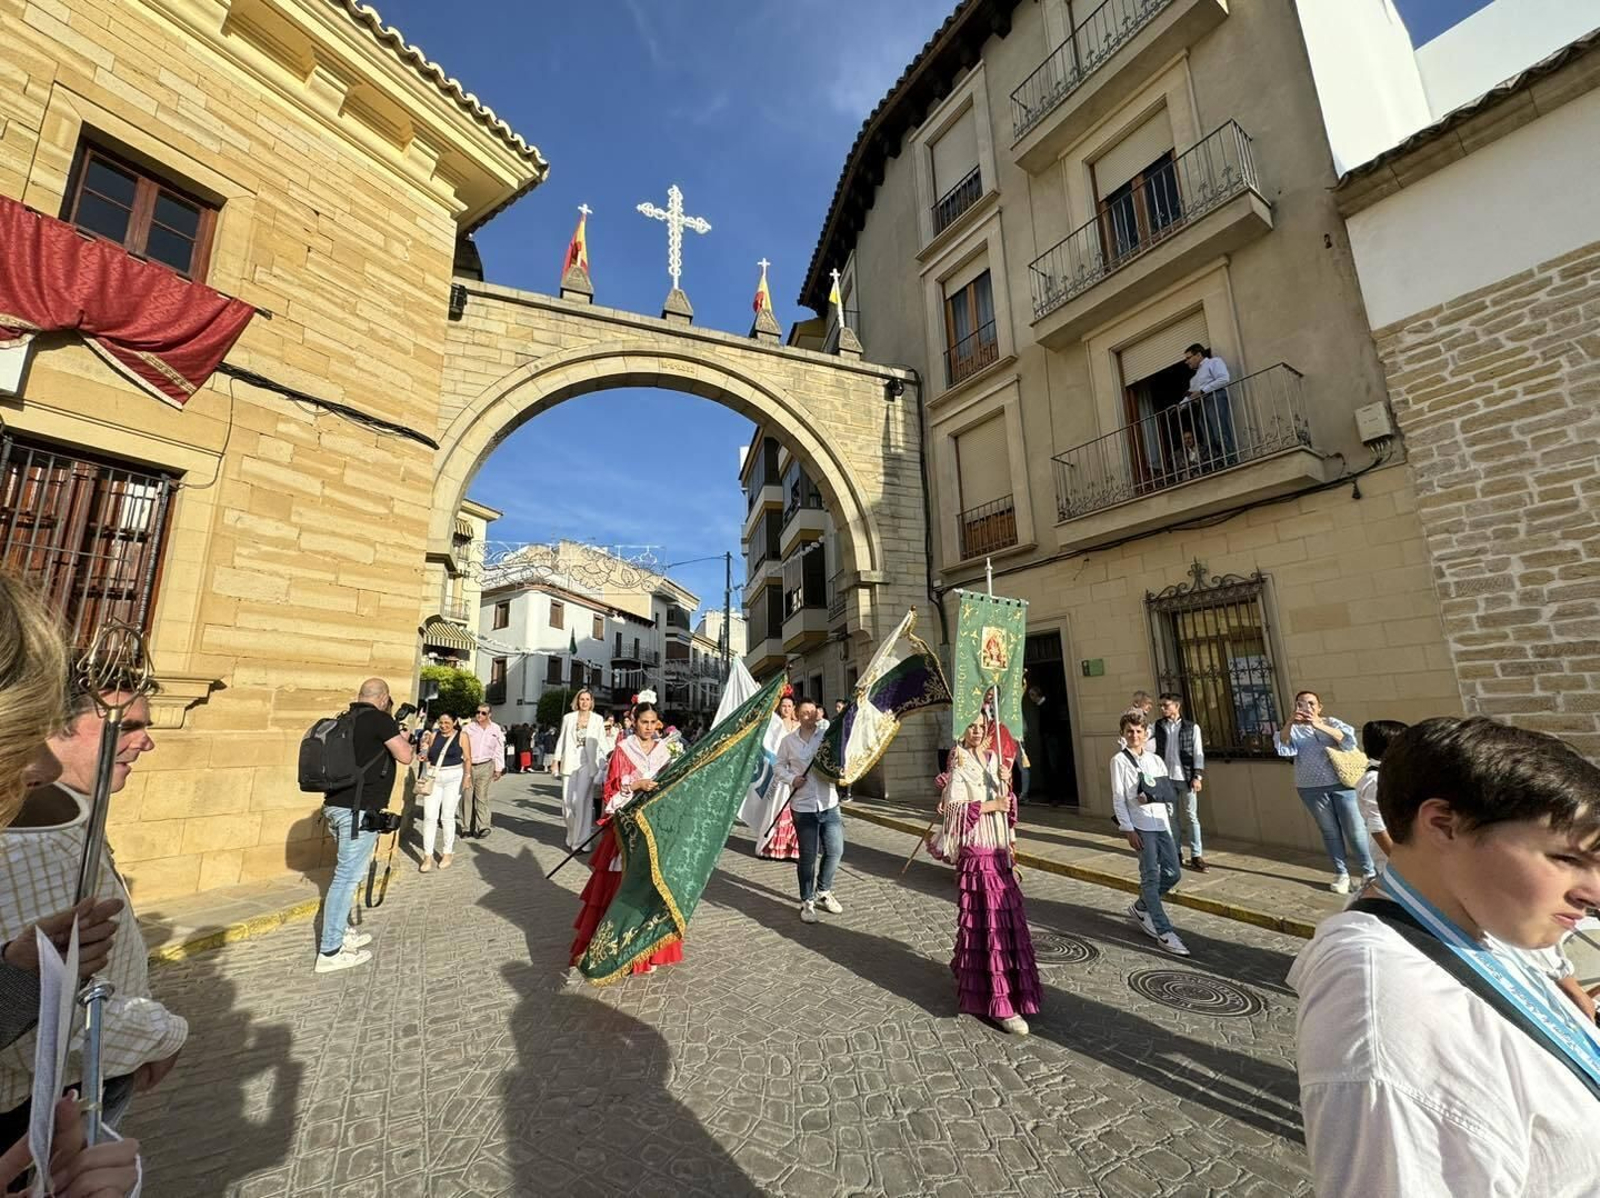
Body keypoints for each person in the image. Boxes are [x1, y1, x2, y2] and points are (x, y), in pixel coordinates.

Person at [1289, 717, 1600, 1196]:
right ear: (1443, 824)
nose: (1594, 894)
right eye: (1565, 859)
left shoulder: (1484, 920)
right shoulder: (1388, 1006)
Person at [0, 669, 185, 1135]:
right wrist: (158, 1036)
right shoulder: (31, 841)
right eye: (127, 726)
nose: (146, 744)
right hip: (42, 1104)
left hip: (89, 1077)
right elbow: (33, 1020)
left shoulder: (71, 813)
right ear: (51, 727)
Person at [928, 719, 1041, 1035]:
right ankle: (997, 1002)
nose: (976, 730)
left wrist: (1007, 787)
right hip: (977, 851)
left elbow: (1009, 812)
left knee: (1008, 920)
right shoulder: (958, 760)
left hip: (1001, 848)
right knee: (987, 923)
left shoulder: (995, 760)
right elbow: (954, 811)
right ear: (962, 730)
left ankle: (1014, 990)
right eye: (971, 725)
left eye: (981, 725)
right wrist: (994, 803)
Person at [568, 699, 682, 977]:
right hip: (626, 829)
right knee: (621, 887)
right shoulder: (623, 750)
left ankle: (648, 948)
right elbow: (611, 791)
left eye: (653, 723)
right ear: (634, 722)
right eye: (644, 722)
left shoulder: (665, 751)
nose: (648, 727)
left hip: (655, 826)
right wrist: (636, 785)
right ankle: (616, 948)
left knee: (653, 888)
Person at [315, 678, 412, 973]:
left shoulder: (346, 719)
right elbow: (405, 755)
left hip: (334, 806)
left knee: (344, 875)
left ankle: (340, 933)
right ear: (383, 698)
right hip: (357, 811)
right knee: (346, 879)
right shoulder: (380, 720)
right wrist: (403, 735)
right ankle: (330, 951)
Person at [1276, 690, 1375, 894]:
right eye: (1301, 704)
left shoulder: (1332, 722)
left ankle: (1369, 873)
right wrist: (1288, 724)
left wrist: (1318, 725)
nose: (1307, 707)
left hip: (1342, 784)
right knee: (1329, 831)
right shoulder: (1293, 728)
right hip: (1310, 787)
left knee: (1355, 831)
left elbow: (1347, 741)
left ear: (1319, 707)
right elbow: (1284, 748)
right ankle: (1341, 873)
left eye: (1311, 703)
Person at [1111, 711, 1190, 956]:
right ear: (1123, 734)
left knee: (1173, 872)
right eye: (1130, 732)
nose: (1134, 736)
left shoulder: (1155, 760)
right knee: (1150, 876)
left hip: (1161, 823)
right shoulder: (1119, 761)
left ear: (1146, 734)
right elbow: (1118, 797)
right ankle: (1163, 931)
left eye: (1138, 731)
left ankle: (1142, 905)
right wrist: (1127, 829)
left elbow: (1165, 792)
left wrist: (1169, 825)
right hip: (1141, 824)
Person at [774, 699, 844, 924]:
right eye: (804, 712)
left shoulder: (826, 736)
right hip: (803, 806)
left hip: (829, 802)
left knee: (835, 850)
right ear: (796, 715)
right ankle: (807, 899)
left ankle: (824, 890)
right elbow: (778, 766)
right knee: (808, 856)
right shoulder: (788, 742)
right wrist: (791, 779)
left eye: (812, 712)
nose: (809, 716)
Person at [1155, 694, 1208, 872]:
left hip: (1186, 777)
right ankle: (1175, 852)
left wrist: (1197, 776)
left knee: (1191, 817)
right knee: (1171, 818)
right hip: (1166, 778)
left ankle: (1196, 854)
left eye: (1166, 705)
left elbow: (1197, 751)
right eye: (1161, 705)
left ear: (1177, 706)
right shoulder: (1159, 726)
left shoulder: (1191, 727)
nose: (1162, 708)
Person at [552, 688, 606, 852]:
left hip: (587, 763)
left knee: (582, 800)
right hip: (570, 760)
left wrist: (606, 760)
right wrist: (556, 761)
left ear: (591, 702)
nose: (584, 702)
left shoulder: (597, 719)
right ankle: (572, 833)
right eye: (581, 699)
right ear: (577, 701)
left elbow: (602, 741)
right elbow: (562, 739)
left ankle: (582, 841)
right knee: (567, 802)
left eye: (587, 699)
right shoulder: (568, 718)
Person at [1355, 719, 1407, 873]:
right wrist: (1401, 861)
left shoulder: (1392, 773)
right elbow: (1377, 826)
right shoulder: (1374, 780)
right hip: (1393, 859)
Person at [417, 712, 467, 873]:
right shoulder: (433, 735)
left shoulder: (462, 736)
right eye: (441, 722)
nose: (444, 725)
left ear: (454, 722)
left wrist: (467, 776)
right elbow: (427, 754)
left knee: (447, 815)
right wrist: (423, 755)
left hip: (454, 776)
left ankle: (447, 852)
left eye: (447, 722)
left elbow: (468, 758)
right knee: (430, 816)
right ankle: (427, 855)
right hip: (434, 777)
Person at [1183, 343, 1236, 467]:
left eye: (1188, 358)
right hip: (1203, 402)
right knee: (1209, 437)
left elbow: (1224, 379)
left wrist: (1202, 391)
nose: (1186, 362)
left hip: (1215, 397)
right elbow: (1191, 395)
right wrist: (1180, 405)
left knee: (1220, 433)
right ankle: (1219, 464)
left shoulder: (1214, 362)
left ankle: (1231, 461)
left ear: (1198, 355)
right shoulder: (1195, 377)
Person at [461, 704, 504, 839]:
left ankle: (483, 825)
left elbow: (499, 749)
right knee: (467, 796)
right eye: (478, 712)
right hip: (468, 765)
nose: (480, 715)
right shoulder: (468, 728)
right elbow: (461, 746)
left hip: (486, 765)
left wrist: (498, 768)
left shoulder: (495, 729)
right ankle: (466, 827)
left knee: (481, 795)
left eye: (483, 713)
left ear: (489, 715)